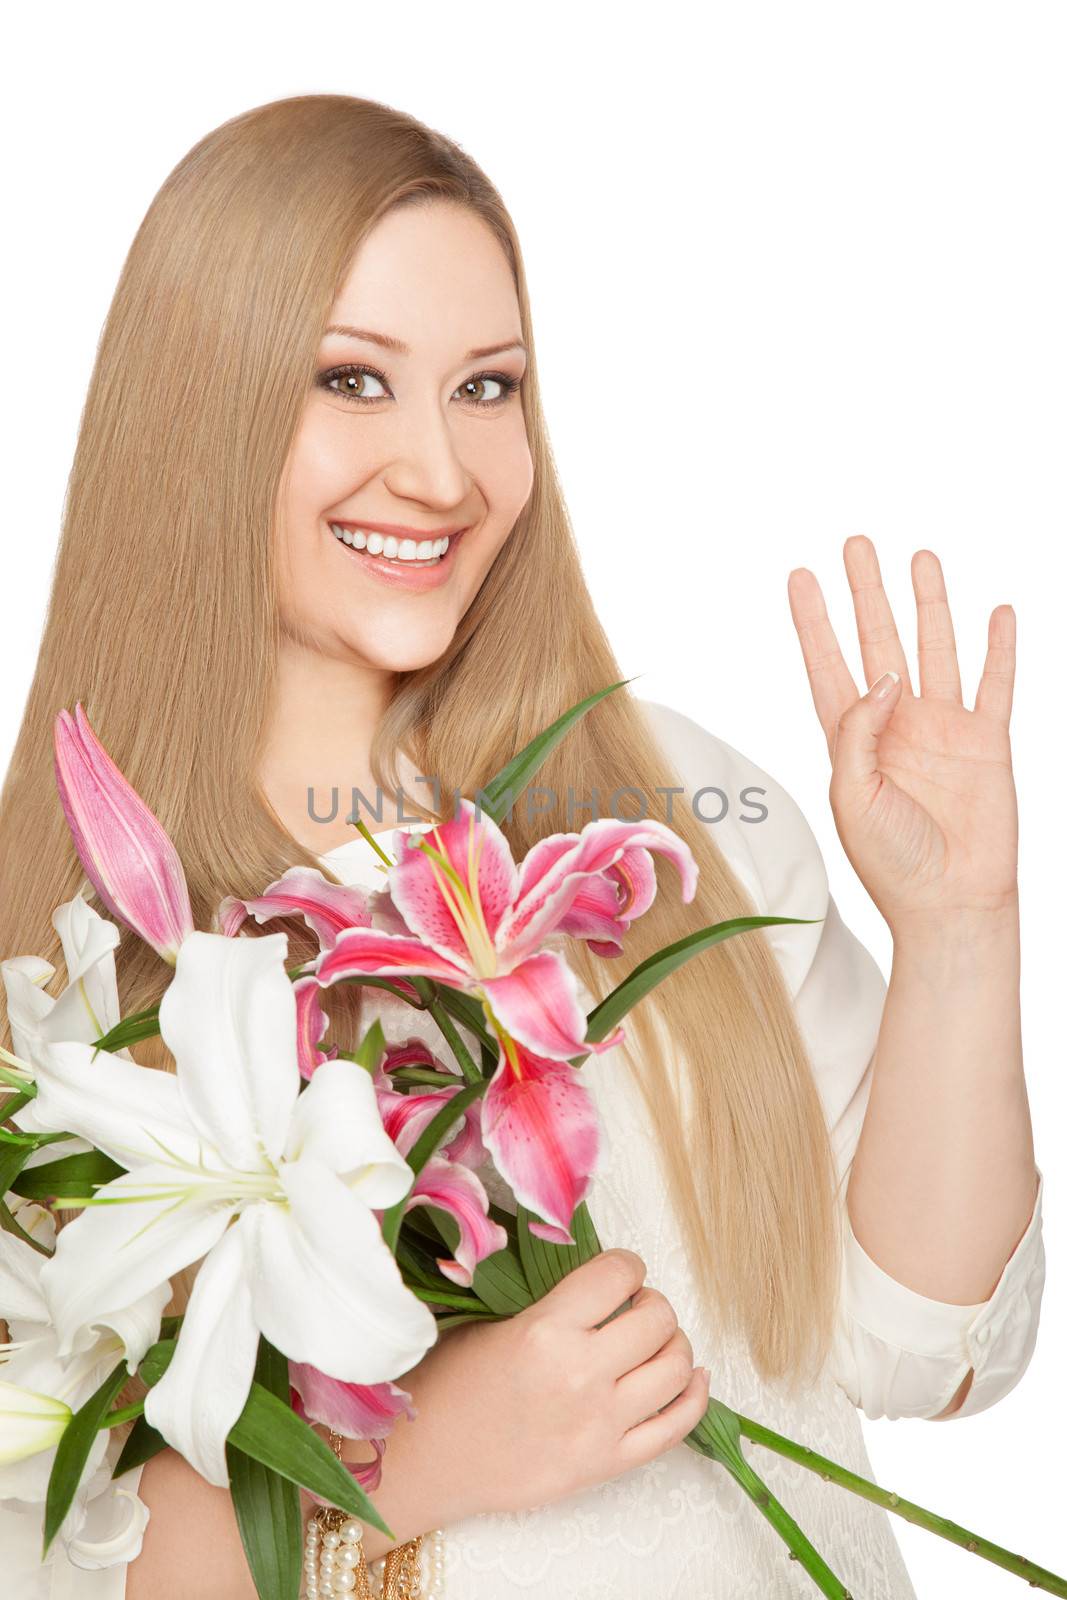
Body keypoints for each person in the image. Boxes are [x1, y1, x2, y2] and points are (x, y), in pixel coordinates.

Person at [0, 94, 1044, 1600]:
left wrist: (963, 932)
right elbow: (41, 1553)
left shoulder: (665, 805)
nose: (441, 472)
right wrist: (412, 1463)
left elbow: (923, 1349)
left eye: (490, 388)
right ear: (197, 412)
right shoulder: (60, 957)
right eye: (352, 380)